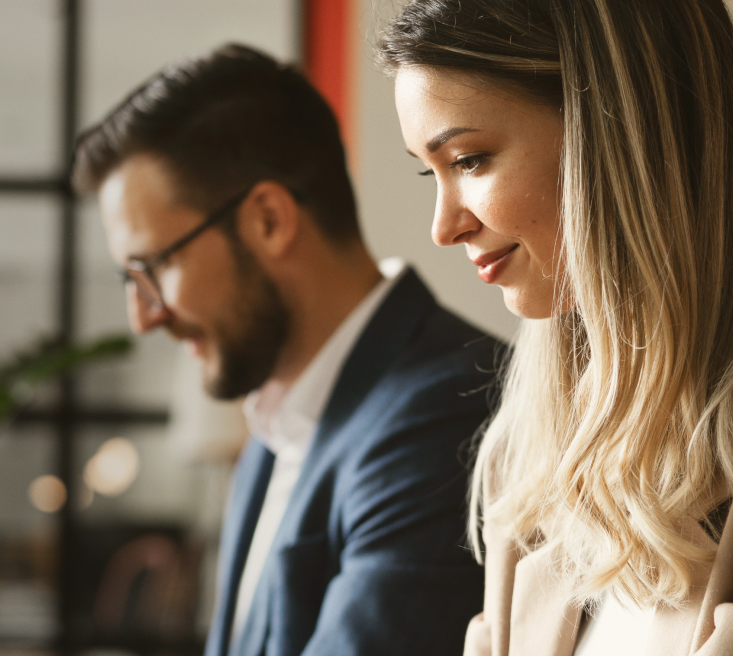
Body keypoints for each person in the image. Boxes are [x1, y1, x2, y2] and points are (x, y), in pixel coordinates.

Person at [379, 0, 733, 654]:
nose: (443, 225)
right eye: (432, 172)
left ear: (616, 130)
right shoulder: (536, 431)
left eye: (470, 159)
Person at [73, 44, 502, 656]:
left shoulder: (448, 414)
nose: (143, 317)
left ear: (268, 219)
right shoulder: (275, 435)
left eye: (151, 269)